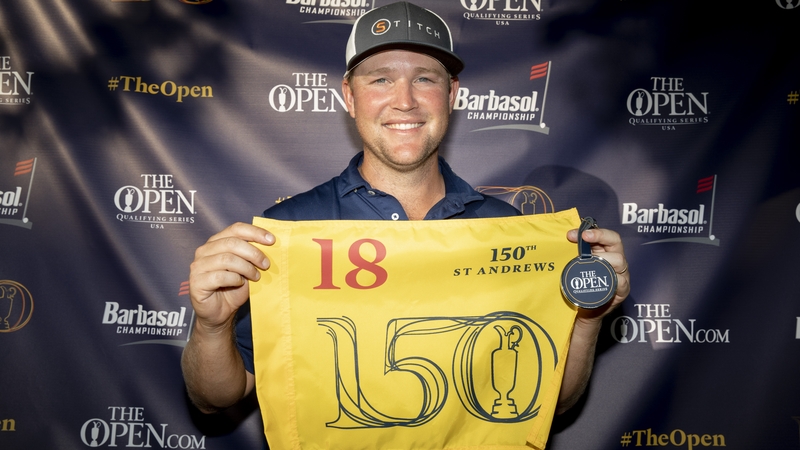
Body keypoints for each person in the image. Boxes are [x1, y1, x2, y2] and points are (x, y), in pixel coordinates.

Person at [182, 0, 630, 432]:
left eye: (424, 79)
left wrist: (588, 318)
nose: (405, 101)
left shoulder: (508, 231)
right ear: (350, 96)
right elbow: (215, 398)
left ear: (451, 95)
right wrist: (212, 326)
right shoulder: (286, 233)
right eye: (380, 79)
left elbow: (551, 401)